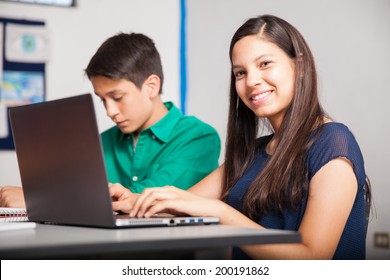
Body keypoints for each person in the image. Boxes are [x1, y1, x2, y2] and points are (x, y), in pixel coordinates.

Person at [109, 15, 371, 260]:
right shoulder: (253, 152)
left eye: (264, 64)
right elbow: (182, 202)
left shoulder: (333, 142)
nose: (252, 81)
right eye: (240, 73)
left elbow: (312, 257)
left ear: (299, 66)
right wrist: (129, 201)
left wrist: (221, 212)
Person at [0, 32, 221, 208]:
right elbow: (73, 189)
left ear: (151, 86)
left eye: (117, 97)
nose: (110, 111)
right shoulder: (100, 143)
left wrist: (39, 199)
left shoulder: (199, 138)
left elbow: (148, 197)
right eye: (102, 100)